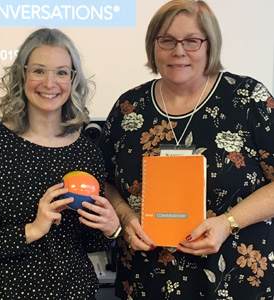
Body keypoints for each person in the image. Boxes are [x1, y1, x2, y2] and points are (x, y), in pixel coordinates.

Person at [97, 0, 274, 299]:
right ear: (153, 46)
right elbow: (105, 182)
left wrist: (227, 223)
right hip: (145, 281)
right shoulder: (129, 108)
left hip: (234, 281)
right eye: (166, 40)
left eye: (191, 40)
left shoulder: (248, 99)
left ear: (210, 44)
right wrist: (126, 218)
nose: (178, 51)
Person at [0, 28, 121, 300]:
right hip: (1, 293)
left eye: (62, 72)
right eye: (39, 71)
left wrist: (111, 230)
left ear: (73, 80)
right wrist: (33, 229)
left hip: (73, 292)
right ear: (22, 75)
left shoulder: (87, 153)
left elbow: (90, 242)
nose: (50, 83)